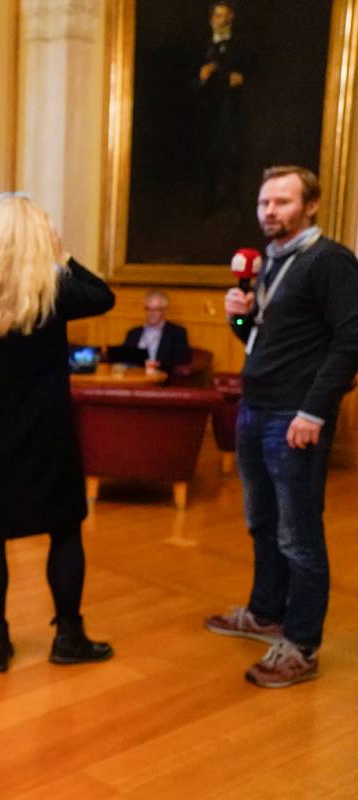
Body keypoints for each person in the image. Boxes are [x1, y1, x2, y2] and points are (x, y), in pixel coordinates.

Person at [0, 194, 116, 673]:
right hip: (46, 433)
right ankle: (69, 636)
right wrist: (63, 255)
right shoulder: (53, 291)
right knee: (64, 529)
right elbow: (103, 295)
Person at [206, 165, 358, 688]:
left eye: (282, 202)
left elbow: (351, 341)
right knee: (262, 522)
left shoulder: (329, 261)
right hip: (256, 407)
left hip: (295, 415)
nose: (270, 211)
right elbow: (260, 343)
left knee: (298, 533)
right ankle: (264, 613)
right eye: (264, 202)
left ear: (310, 206)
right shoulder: (270, 262)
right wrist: (239, 317)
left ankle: (301, 645)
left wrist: (313, 411)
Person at [195, 2, 246, 215]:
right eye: (218, 16)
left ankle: (234, 203)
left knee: (234, 157)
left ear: (231, 18)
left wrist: (242, 78)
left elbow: (254, 74)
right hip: (208, 114)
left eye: (226, 16)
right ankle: (208, 203)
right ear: (211, 20)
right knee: (208, 158)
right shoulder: (202, 47)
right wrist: (202, 78)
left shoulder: (241, 46)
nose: (222, 20)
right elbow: (189, 82)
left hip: (233, 112)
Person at [119, 290, 192, 371]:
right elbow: (124, 357)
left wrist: (158, 364)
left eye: (156, 309)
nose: (151, 313)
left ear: (165, 310)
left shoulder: (176, 332)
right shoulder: (133, 333)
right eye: (148, 309)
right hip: (133, 373)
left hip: (160, 373)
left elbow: (182, 359)